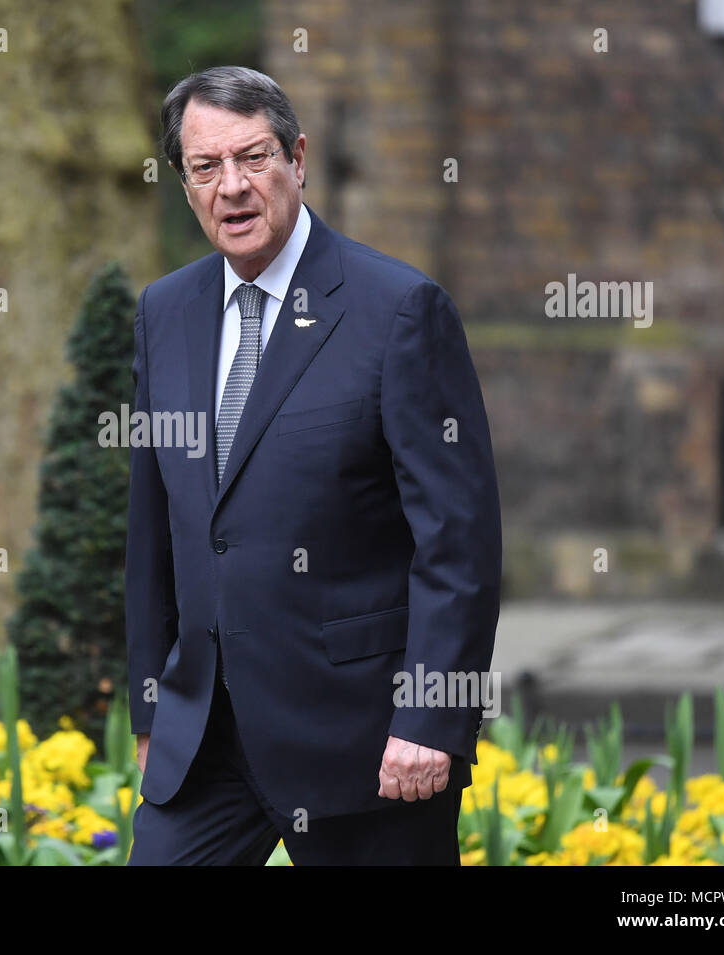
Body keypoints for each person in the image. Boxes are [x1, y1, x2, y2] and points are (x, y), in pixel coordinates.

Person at [124, 66, 502, 865]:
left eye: (252, 157)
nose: (232, 186)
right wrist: (152, 711)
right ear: (183, 183)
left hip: (365, 746)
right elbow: (154, 527)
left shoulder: (399, 310)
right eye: (205, 167)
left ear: (298, 158)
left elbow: (457, 541)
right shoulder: (165, 311)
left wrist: (430, 720)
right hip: (206, 744)